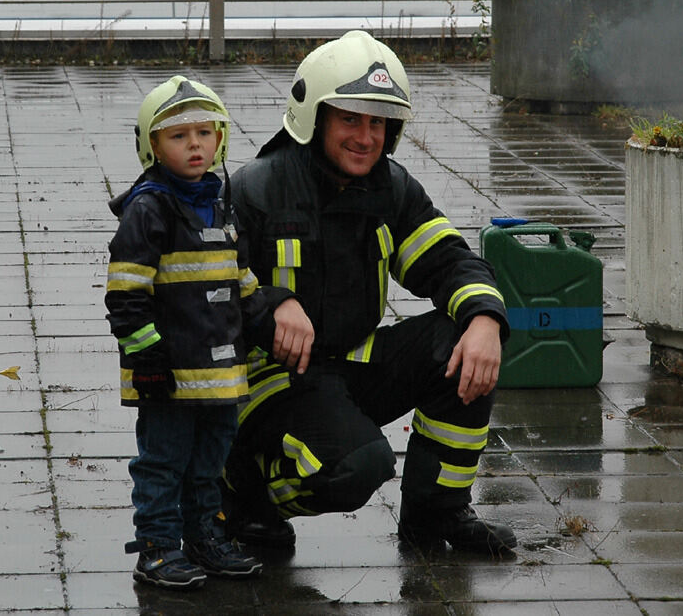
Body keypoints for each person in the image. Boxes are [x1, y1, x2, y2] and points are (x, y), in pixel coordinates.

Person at [220, 30, 517, 556]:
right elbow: (206, 292)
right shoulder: (255, 190)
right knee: (362, 465)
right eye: (350, 119)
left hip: (352, 360)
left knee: (462, 345)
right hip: (269, 378)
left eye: (377, 122)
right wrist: (271, 303)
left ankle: (435, 514)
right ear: (315, 117)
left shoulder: (391, 189)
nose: (366, 137)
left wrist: (486, 321)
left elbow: (449, 259)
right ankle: (239, 494)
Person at [105, 76, 310, 590]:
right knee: (163, 464)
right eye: (178, 135)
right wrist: (147, 359)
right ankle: (155, 548)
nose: (195, 144)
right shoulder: (149, 210)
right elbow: (125, 296)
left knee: (209, 464)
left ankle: (204, 537)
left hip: (220, 377)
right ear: (151, 146)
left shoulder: (220, 204)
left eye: (205, 132)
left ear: (219, 139)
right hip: (168, 376)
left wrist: (268, 321)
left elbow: (241, 283)